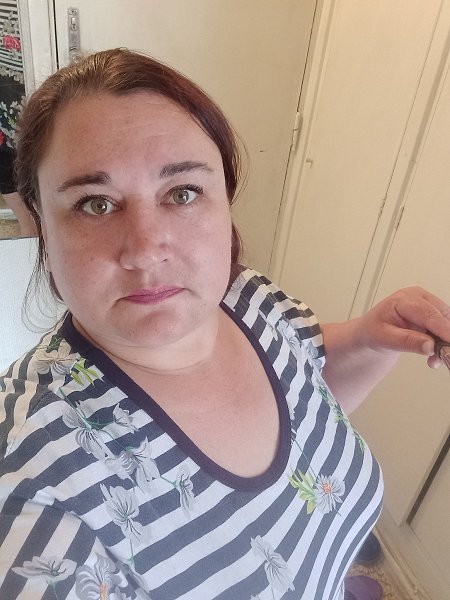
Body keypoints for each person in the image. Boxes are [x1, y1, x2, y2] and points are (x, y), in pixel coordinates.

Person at [0, 48, 449, 600]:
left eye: (182, 193)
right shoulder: (33, 483)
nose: (146, 250)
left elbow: (303, 391)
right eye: (95, 204)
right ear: (40, 224)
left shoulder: (245, 296)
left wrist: (370, 340)